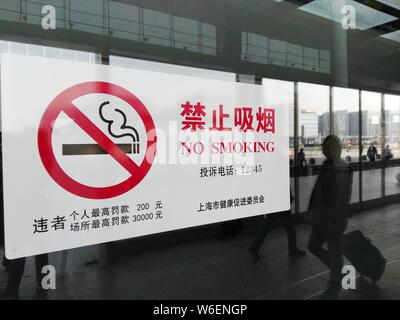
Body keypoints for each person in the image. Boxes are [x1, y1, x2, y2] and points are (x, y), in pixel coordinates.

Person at [308, 135, 352, 300]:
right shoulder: (328, 165)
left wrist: (335, 217)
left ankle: (333, 288)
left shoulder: (342, 167)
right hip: (322, 217)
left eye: (325, 146)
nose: (323, 149)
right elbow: (319, 190)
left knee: (331, 250)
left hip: (333, 219)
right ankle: (337, 269)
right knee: (313, 245)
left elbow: (342, 195)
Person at [249, 189, 306, 261]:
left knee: (267, 226)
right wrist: (290, 198)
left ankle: (254, 247)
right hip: (281, 202)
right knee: (290, 226)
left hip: (274, 202)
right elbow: (285, 186)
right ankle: (293, 249)